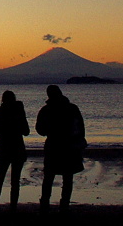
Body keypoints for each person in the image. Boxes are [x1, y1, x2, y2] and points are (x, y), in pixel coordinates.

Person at [35, 85, 86, 213]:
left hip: (53, 145)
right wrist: (78, 140)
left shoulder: (46, 110)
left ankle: (45, 204)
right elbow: (80, 127)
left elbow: (40, 129)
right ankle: (64, 205)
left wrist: (50, 131)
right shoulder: (72, 108)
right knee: (67, 177)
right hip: (69, 146)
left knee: (49, 177)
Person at [0, 90, 30, 212]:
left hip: (4, 149)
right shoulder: (19, 112)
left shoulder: (0, 112)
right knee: (15, 181)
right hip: (18, 148)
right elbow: (26, 131)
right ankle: (13, 207)